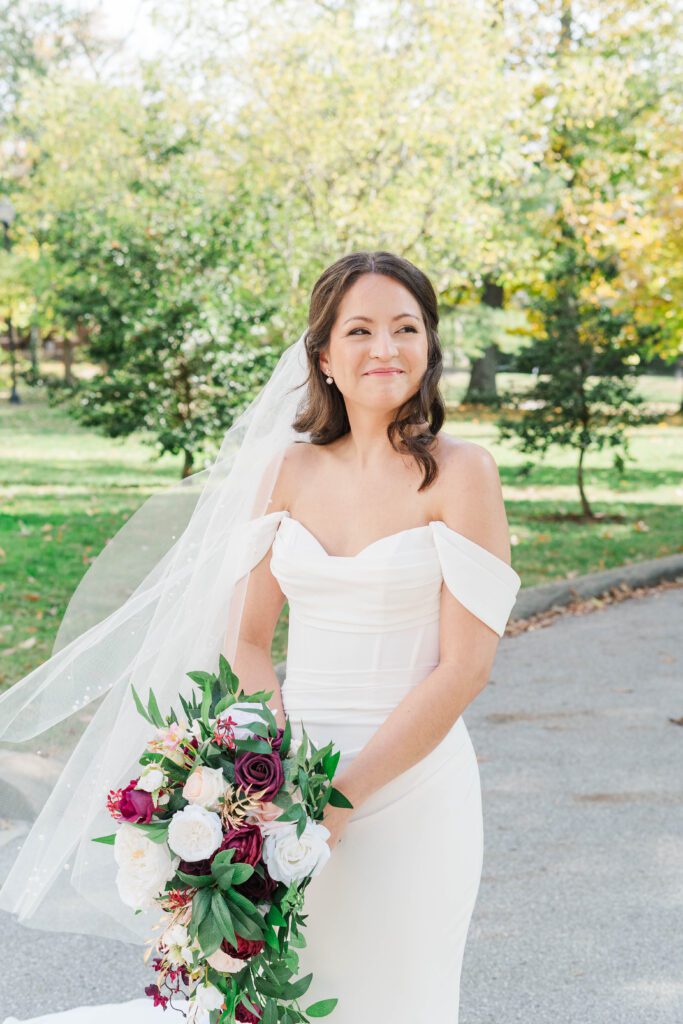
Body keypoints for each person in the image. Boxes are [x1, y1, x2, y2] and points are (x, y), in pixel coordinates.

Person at [1, 250, 521, 1023]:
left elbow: (464, 668)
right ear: (324, 357)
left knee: (396, 997)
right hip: (284, 794)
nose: (386, 348)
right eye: (361, 330)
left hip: (412, 789)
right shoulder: (288, 471)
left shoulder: (462, 473)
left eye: (405, 328)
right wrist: (265, 771)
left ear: (429, 347)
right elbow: (247, 640)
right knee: (275, 1002)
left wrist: (340, 799)